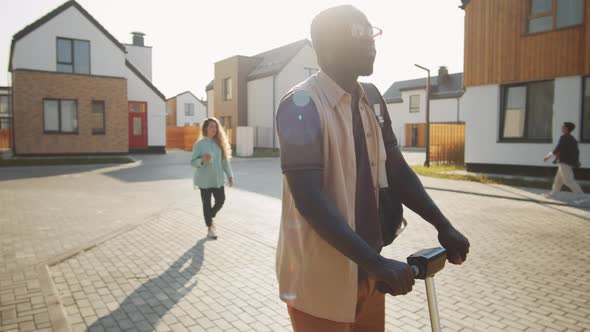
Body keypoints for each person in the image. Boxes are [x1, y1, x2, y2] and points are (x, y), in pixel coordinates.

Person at [275, 5, 470, 331]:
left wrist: (442, 224)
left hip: (368, 271)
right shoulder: (301, 105)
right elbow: (308, 198)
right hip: (320, 278)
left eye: (371, 32)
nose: (370, 42)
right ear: (326, 45)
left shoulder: (374, 98)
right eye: (358, 33)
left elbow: (396, 169)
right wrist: (376, 262)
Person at [191, 117, 234, 240]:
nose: (214, 129)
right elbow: (193, 162)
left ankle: (209, 216)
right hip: (204, 180)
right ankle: (210, 229)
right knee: (206, 203)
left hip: (218, 180)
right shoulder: (199, 144)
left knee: (221, 200)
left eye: (215, 127)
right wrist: (202, 160)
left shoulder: (220, 144)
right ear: (205, 128)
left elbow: (225, 162)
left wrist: (230, 175)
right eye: (211, 126)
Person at [544, 122, 587, 203]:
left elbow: (558, 149)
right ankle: (553, 193)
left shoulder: (564, 137)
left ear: (566, 129)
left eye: (563, 127)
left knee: (568, 180)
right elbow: (573, 151)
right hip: (566, 161)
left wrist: (548, 156)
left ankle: (582, 195)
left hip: (565, 162)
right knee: (558, 179)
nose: (562, 128)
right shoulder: (571, 138)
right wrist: (576, 161)